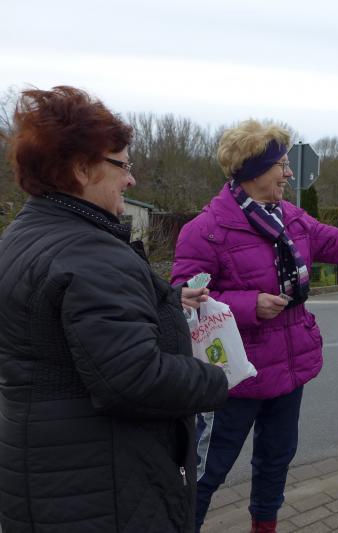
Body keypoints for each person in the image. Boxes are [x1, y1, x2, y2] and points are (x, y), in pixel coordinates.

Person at [171, 119, 338, 533]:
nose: (289, 173)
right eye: (281, 164)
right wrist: (249, 305)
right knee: (207, 473)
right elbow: (185, 299)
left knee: (275, 463)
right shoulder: (205, 231)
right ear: (253, 170)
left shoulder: (292, 219)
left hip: (288, 370)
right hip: (232, 378)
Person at [0, 86, 229, 533]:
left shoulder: (24, 236)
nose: (131, 180)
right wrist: (213, 378)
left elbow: (68, 336)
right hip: (104, 489)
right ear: (82, 169)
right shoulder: (91, 254)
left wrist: (163, 301)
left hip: (45, 474)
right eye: (122, 165)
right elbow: (134, 379)